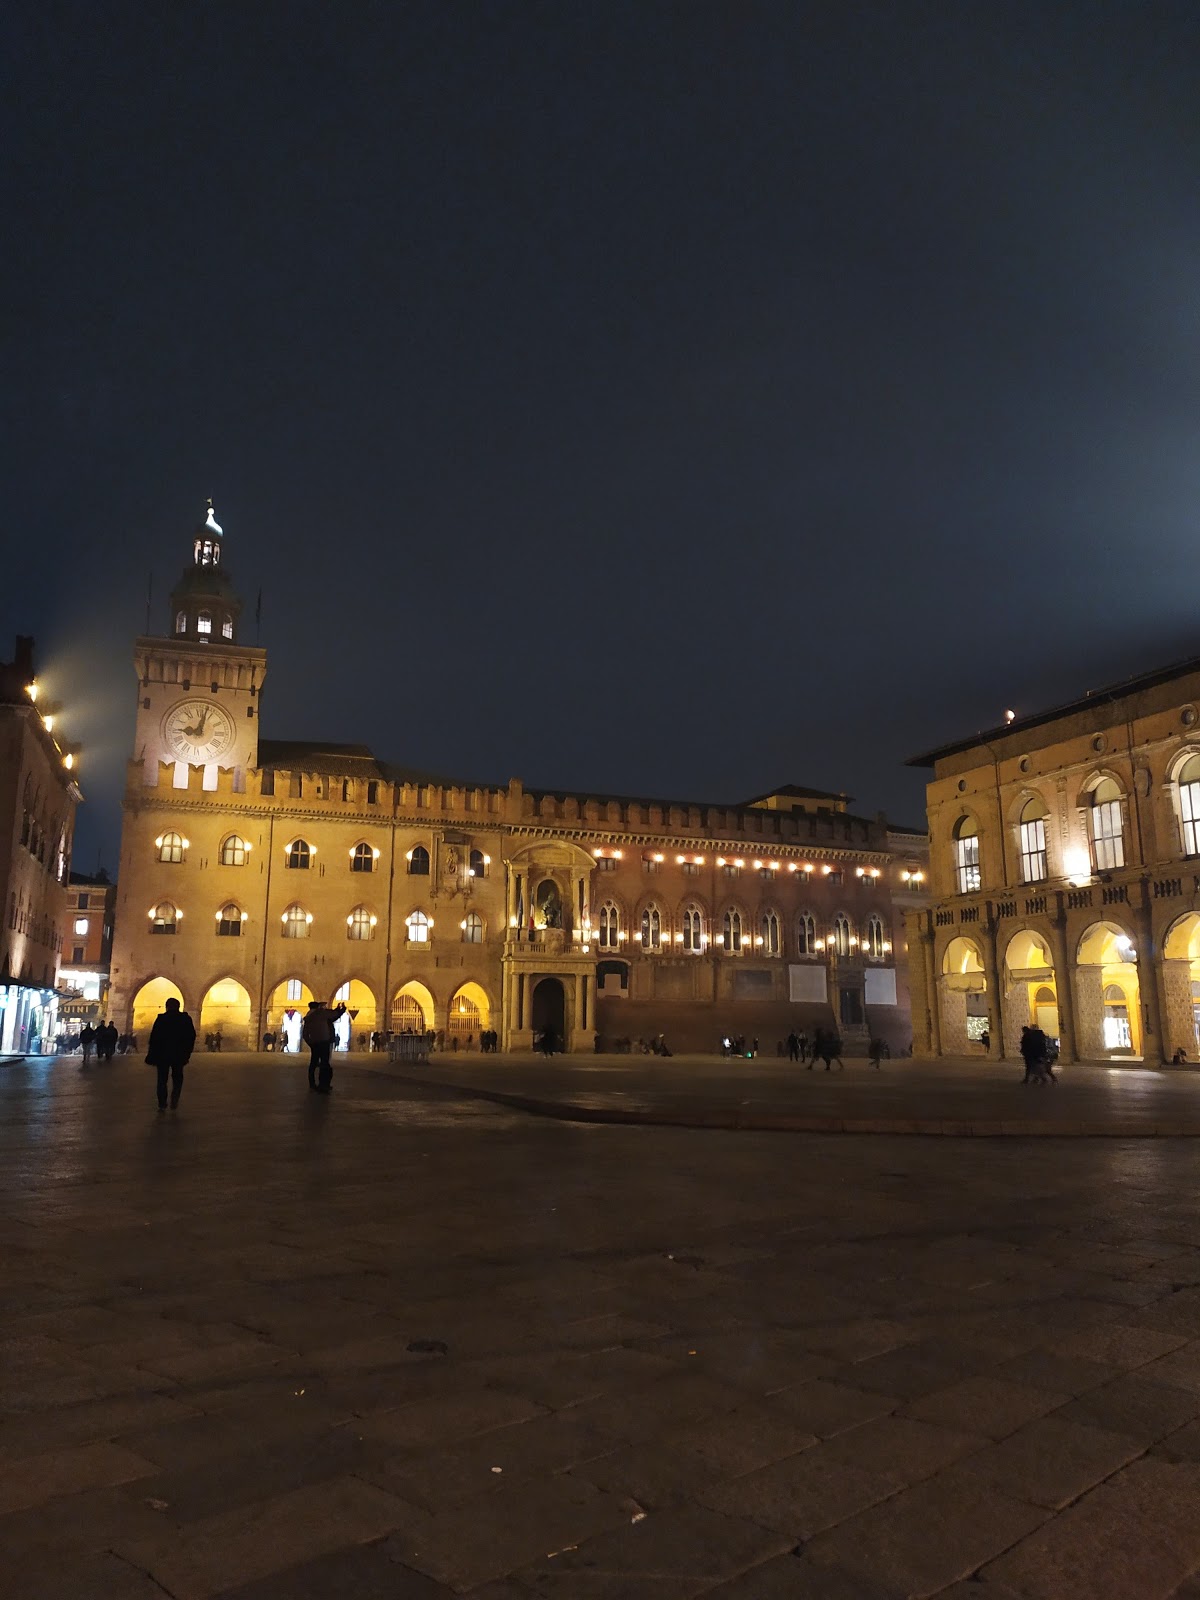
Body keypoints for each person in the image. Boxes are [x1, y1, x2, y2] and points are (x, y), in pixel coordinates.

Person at [145, 997, 196, 1112]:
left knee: (162, 1080)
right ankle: (174, 1100)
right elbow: (191, 1037)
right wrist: (187, 1053)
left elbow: (154, 1038)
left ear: (167, 1007)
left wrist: (152, 1054)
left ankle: (162, 1103)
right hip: (179, 1055)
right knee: (178, 1078)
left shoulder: (161, 1019)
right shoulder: (185, 1019)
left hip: (162, 1055)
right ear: (178, 1007)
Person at [301, 999, 345, 1093]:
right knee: (325, 1063)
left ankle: (312, 1083)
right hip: (324, 1042)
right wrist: (341, 1009)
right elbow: (334, 1015)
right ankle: (323, 1084)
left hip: (315, 1043)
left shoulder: (308, 1017)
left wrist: (311, 1043)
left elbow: (305, 1034)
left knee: (314, 1063)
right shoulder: (321, 1014)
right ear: (317, 1007)